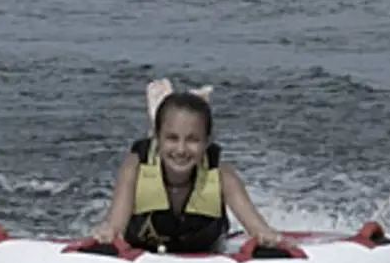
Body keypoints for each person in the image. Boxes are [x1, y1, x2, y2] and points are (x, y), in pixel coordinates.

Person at [90, 80, 283, 252]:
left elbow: (258, 228)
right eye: (172, 138)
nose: (181, 150)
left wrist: (265, 235)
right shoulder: (135, 167)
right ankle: (165, 116)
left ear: (207, 142)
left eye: (193, 140)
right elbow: (114, 225)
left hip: (206, 253)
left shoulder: (223, 175)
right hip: (144, 251)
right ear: (158, 139)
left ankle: (178, 114)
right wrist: (108, 232)